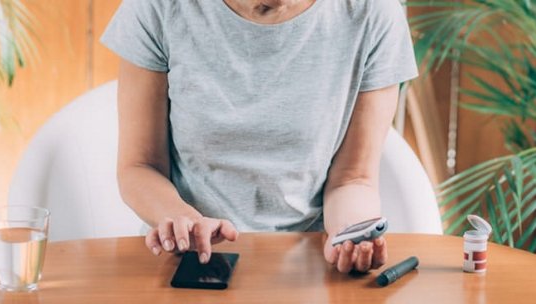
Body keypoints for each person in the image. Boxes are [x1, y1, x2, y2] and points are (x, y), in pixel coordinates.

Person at [101, 0, 418, 274]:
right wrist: (182, 220)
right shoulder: (159, 7)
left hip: (306, 265)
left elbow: (352, 179)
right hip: (187, 260)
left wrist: (350, 235)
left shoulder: (373, 14)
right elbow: (139, 166)